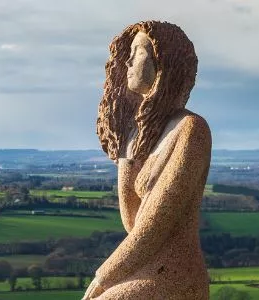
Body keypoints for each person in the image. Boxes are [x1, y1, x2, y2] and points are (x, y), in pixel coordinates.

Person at [86, 20, 211, 300]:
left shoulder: (190, 129)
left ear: (162, 61)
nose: (128, 61)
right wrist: (126, 143)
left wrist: (103, 277)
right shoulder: (144, 134)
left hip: (176, 275)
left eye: (138, 51)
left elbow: (154, 227)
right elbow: (131, 220)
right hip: (143, 270)